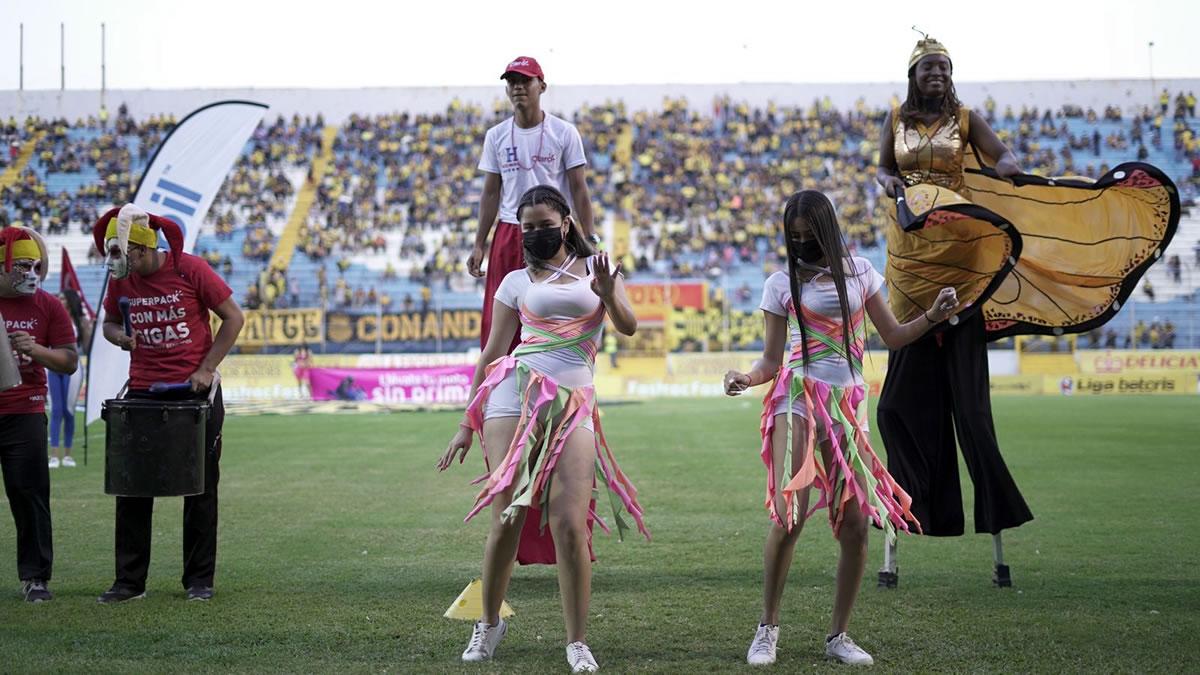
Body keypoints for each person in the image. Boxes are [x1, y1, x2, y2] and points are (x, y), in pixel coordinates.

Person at [874, 34, 1176, 585]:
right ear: (913, 75)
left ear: (949, 73)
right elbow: (880, 170)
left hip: (963, 255)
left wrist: (1013, 167)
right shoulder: (894, 118)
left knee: (972, 414)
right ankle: (908, 512)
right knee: (897, 407)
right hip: (910, 258)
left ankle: (995, 526)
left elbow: (1001, 156)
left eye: (943, 66)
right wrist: (891, 182)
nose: (937, 74)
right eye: (928, 68)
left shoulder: (966, 118)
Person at [724, 190, 958, 666]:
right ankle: (767, 628)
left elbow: (892, 335)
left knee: (855, 526)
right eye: (795, 238)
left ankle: (839, 636)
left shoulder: (862, 272)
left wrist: (933, 316)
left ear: (828, 230)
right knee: (791, 512)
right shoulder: (780, 283)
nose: (803, 245)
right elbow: (771, 359)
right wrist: (746, 378)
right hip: (797, 396)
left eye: (810, 237)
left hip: (848, 406)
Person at [438, 186, 645, 673]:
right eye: (527, 226)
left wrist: (608, 294)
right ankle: (489, 623)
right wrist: (466, 422)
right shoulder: (512, 281)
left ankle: (576, 641)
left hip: (573, 403)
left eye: (543, 223)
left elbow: (628, 326)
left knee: (570, 525)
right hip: (512, 395)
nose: (535, 233)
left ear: (567, 222)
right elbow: (492, 354)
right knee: (507, 515)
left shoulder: (600, 269)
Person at [467, 55, 599, 567]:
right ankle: (496, 410)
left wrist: (586, 244)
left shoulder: (565, 133)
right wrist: (479, 243)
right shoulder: (497, 137)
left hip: (557, 237)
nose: (517, 90)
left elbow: (581, 189)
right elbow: (490, 190)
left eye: (525, 82)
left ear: (543, 85)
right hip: (508, 235)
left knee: (571, 317)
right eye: (511, 83)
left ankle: (570, 393)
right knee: (500, 344)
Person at [92, 204, 245, 603]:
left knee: (200, 490)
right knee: (132, 490)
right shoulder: (121, 282)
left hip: (193, 393)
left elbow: (233, 318)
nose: (119, 264)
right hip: (142, 391)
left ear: (143, 250)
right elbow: (109, 323)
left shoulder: (189, 269)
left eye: (125, 255)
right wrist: (119, 338)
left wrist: (206, 368)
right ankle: (129, 583)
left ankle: (198, 581)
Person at [0, 227, 78, 603]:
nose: (33, 273)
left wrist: (37, 350)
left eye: (36, 266)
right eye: (23, 266)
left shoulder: (49, 305)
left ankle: (36, 578)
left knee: (29, 494)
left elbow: (69, 361)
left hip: (25, 410)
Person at [47, 289, 90, 469]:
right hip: (52, 366)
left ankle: (68, 455)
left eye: (63, 298)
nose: (60, 300)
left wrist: (88, 328)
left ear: (71, 301)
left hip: (72, 368)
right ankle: (54, 456)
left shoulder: (81, 321)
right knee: (56, 410)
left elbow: (87, 347)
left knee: (69, 411)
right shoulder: (52, 318)